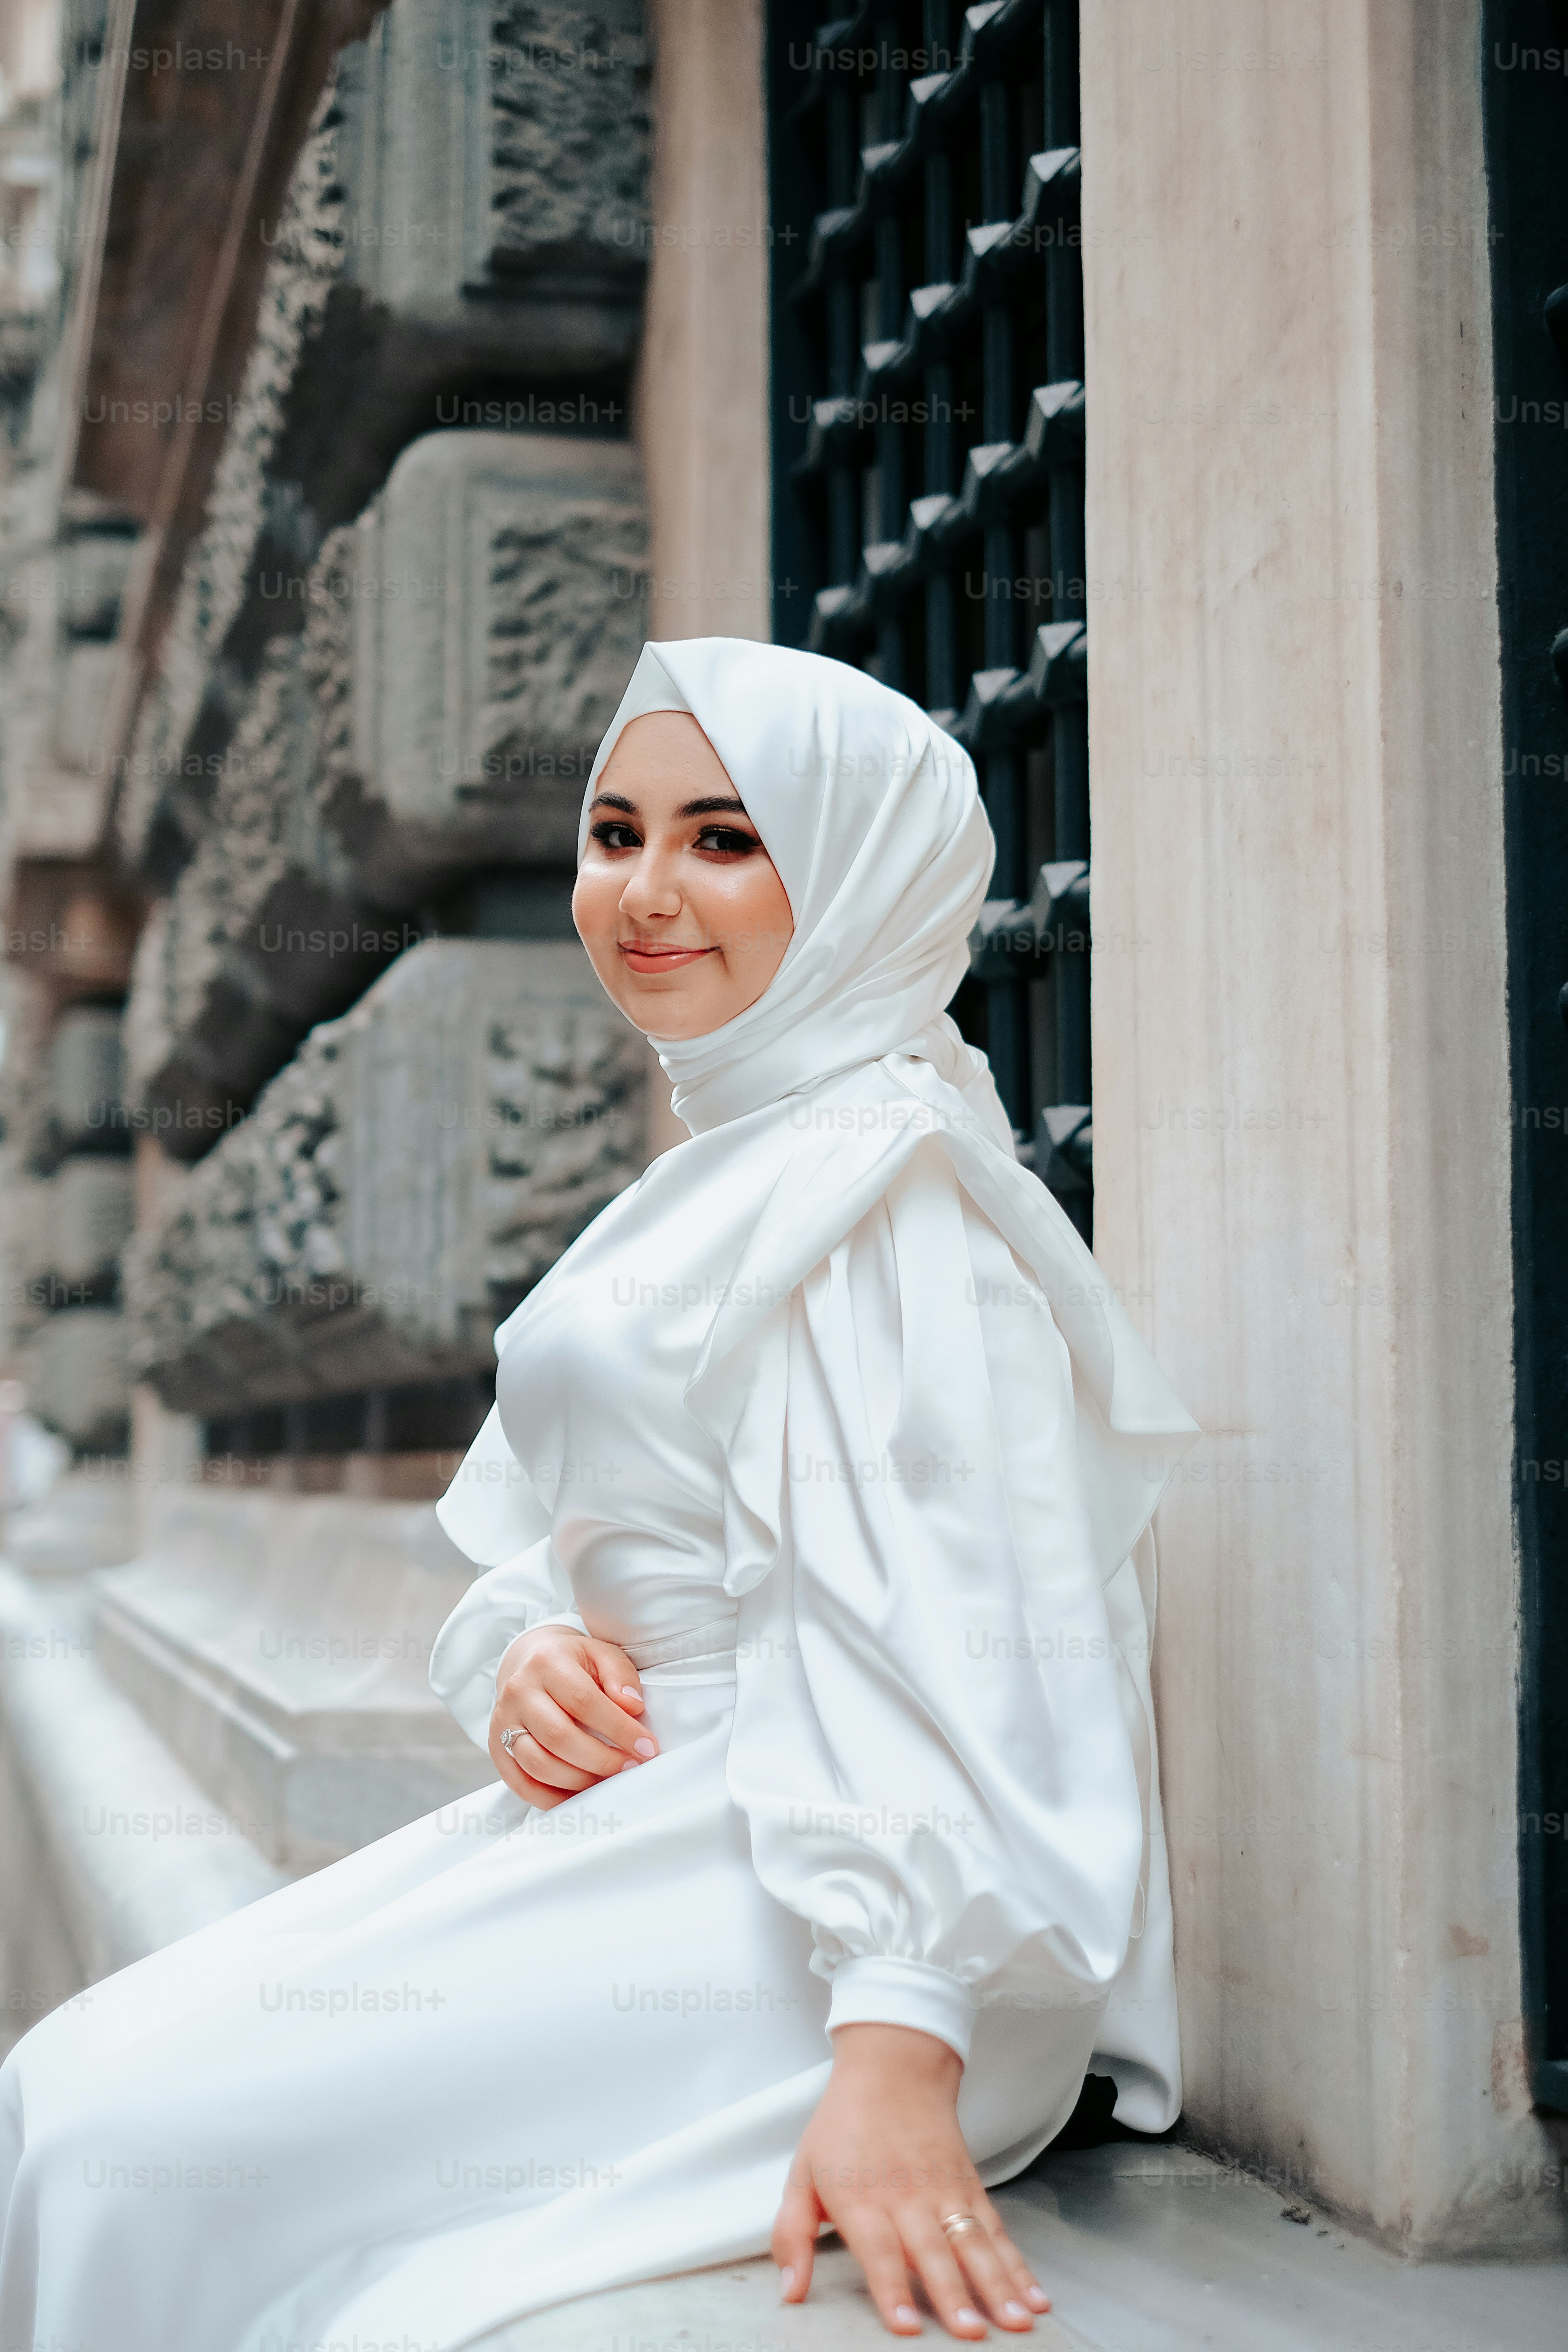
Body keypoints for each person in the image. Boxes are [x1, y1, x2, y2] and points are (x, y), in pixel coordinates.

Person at [0, 639, 1197, 2348]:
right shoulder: (715, 1174)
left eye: (724, 839)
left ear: (858, 871)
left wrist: (901, 2037)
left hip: (825, 1919)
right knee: (70, 2092)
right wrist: (523, 1660)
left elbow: (969, 1631)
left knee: (122, 2144)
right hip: (662, 1828)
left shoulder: (891, 1195)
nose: (644, 892)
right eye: (614, 831)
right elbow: (575, 1536)